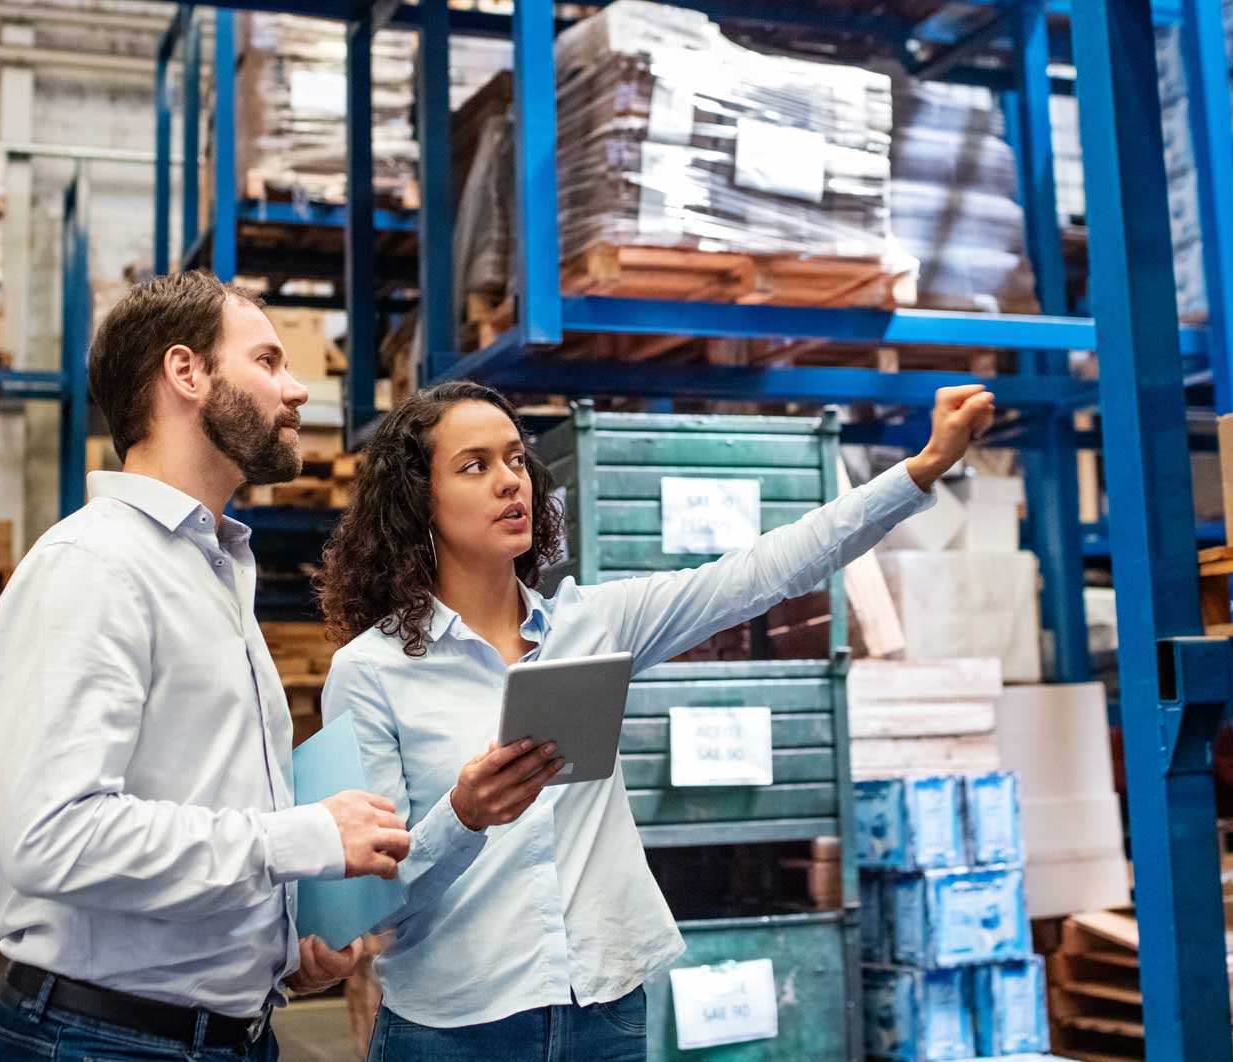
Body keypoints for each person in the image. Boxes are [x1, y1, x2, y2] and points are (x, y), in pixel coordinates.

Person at [316, 380, 994, 1061]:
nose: (508, 482)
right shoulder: (370, 672)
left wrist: (924, 466)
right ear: (416, 501)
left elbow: (765, 570)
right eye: (475, 465)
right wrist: (462, 818)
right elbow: (370, 901)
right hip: (454, 1030)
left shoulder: (594, 625)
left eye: (516, 460)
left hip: (604, 1016)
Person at [0, 271, 412, 1062]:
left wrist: (278, 951)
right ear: (187, 373)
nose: (298, 388)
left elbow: (199, 799)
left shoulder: (211, 565)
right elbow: (56, 837)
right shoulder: (94, 566)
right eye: (269, 361)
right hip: (102, 1041)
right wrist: (301, 838)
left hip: (222, 1033)